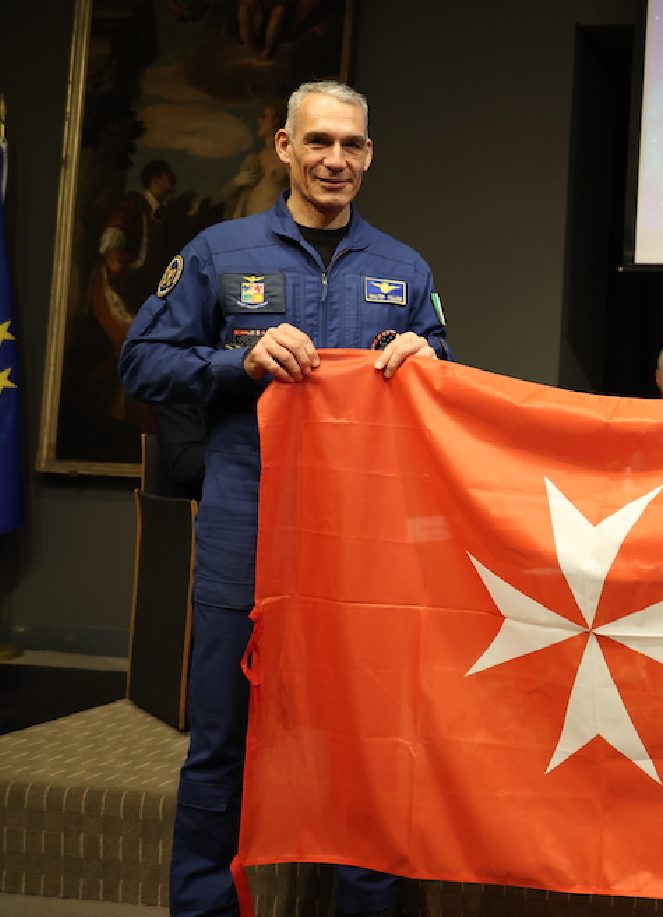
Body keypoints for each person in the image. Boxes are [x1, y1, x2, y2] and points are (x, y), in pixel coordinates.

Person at [119, 80, 449, 917]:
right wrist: (238, 362)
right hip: (246, 528)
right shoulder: (218, 252)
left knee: (368, 747)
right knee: (221, 741)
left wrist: (430, 362)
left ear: (369, 155)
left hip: (363, 541)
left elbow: (444, 377)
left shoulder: (404, 269)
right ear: (285, 148)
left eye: (352, 144)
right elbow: (140, 362)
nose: (335, 160)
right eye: (319, 142)